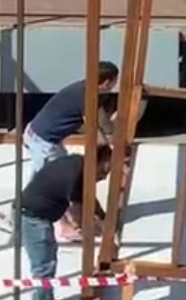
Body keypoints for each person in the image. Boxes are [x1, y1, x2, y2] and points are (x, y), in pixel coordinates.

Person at [18, 145, 117, 300]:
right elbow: (79, 214)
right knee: (44, 264)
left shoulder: (79, 166)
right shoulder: (75, 175)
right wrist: (95, 231)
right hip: (32, 218)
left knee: (46, 261)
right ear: (99, 162)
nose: (104, 177)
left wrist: (103, 217)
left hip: (37, 215)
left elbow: (88, 197)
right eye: (105, 170)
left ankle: (41, 299)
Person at [24, 61, 120, 242]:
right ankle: (65, 228)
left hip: (41, 135)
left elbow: (100, 125)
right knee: (57, 185)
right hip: (43, 141)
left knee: (47, 180)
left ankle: (30, 211)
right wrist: (110, 151)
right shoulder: (86, 96)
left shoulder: (84, 89)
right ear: (107, 82)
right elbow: (97, 130)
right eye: (115, 80)